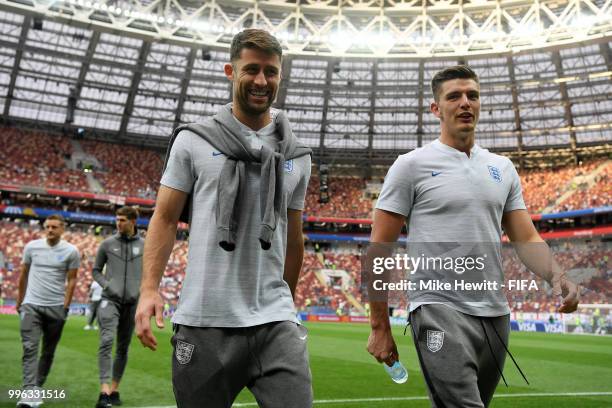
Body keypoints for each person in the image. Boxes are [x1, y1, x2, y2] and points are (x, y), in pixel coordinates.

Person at [366, 65, 580, 408]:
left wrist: (558, 275)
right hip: (437, 308)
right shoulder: (410, 165)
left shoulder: (503, 168)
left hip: (496, 313)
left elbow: (525, 237)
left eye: (472, 96)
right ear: (436, 109)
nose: (465, 103)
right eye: (454, 96)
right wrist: (379, 325)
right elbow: (379, 248)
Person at [134, 28, 313, 408]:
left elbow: (293, 236)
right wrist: (149, 288)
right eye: (251, 70)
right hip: (205, 320)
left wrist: (288, 303)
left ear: (280, 75)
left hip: (275, 323)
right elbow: (165, 218)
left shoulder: (297, 155)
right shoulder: (193, 140)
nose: (261, 81)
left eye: (271, 71)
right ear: (230, 72)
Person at [16, 215, 80, 408]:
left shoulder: (71, 251)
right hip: (31, 306)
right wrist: (20, 301)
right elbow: (23, 274)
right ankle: (28, 391)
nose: (50, 229)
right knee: (29, 348)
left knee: (48, 352)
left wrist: (66, 307)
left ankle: (36, 386)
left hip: (56, 308)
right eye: (47, 226)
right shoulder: (31, 247)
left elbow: (72, 281)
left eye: (54, 227)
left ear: (62, 229)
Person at [92, 206, 144, 408]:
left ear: (133, 221)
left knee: (123, 348)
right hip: (110, 300)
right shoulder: (106, 244)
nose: (118, 223)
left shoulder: (145, 245)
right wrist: (107, 285)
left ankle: (114, 389)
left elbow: (151, 272)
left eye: (122, 220)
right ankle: (104, 391)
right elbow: (96, 271)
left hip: (133, 302)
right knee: (106, 341)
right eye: (117, 219)